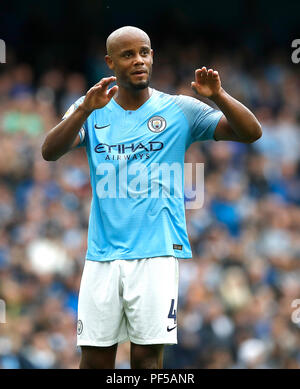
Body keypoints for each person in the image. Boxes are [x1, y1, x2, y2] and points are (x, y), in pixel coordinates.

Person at [41, 26, 262, 369]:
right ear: (110, 62)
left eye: (144, 52)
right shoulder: (92, 107)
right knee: (95, 360)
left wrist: (218, 96)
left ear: (152, 56)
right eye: (128, 55)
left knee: (146, 359)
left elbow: (251, 132)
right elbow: (49, 152)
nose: (139, 60)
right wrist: (84, 109)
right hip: (101, 255)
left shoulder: (180, 110)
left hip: (156, 253)